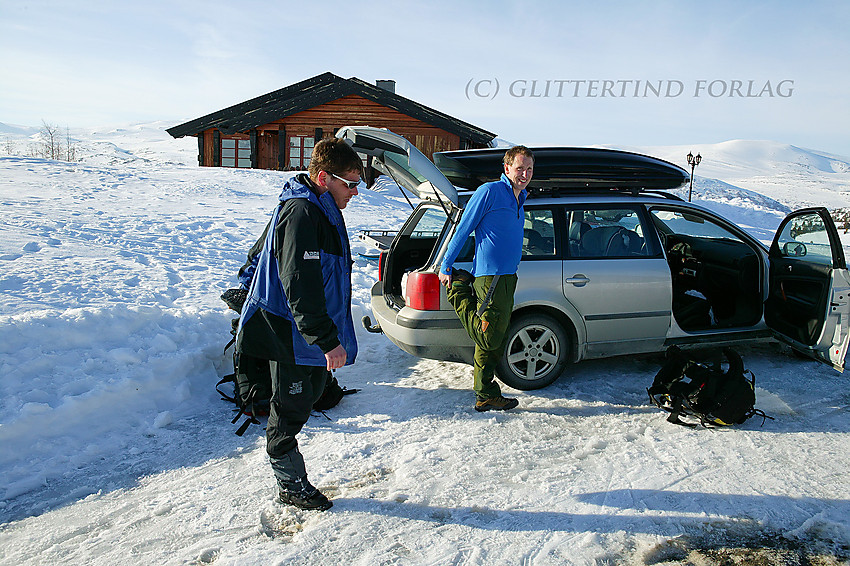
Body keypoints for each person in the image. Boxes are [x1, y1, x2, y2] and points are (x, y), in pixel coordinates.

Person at [235, 137, 362, 511]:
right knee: (289, 408)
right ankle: (290, 485)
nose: (355, 192)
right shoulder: (302, 212)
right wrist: (326, 340)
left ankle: (290, 475)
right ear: (324, 177)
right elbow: (299, 282)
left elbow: (261, 253)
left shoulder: (320, 207)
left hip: (305, 331)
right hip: (290, 332)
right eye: (350, 184)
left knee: (310, 395)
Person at [438, 145, 534, 412]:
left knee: (494, 335)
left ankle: (486, 393)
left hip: (507, 278)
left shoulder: (520, 197)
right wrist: (446, 265)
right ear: (506, 168)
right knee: (489, 336)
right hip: (490, 278)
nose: (524, 174)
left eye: (528, 169)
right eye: (519, 168)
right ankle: (458, 290)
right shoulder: (490, 192)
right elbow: (464, 227)